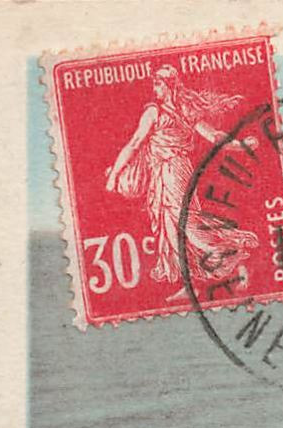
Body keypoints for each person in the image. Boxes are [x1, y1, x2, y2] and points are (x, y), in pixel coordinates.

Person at [103, 65, 258, 294]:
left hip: (171, 172)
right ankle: (190, 284)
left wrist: (115, 174)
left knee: (184, 223)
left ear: (169, 86)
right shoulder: (185, 111)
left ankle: (228, 251)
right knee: (173, 226)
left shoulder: (155, 113)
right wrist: (239, 145)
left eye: (158, 84)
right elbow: (213, 135)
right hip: (171, 172)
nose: (155, 88)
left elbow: (135, 143)